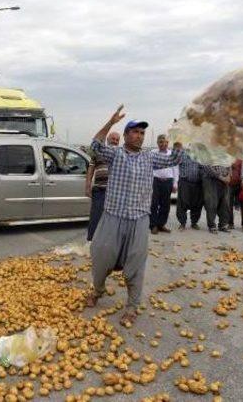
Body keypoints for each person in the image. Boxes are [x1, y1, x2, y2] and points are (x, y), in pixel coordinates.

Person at [87, 106, 182, 326]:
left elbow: (175, 158)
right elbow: (94, 146)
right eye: (135, 132)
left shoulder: (150, 158)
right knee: (101, 257)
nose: (139, 136)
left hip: (139, 219)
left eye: (142, 133)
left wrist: (178, 135)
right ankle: (98, 289)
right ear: (126, 135)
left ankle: (132, 306)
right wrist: (110, 122)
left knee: (136, 264)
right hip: (113, 216)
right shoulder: (115, 154)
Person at [85, 131, 120, 241]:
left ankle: (108, 241)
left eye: (117, 140)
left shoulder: (119, 153)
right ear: (108, 139)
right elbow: (91, 168)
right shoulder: (99, 151)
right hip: (100, 189)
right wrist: (88, 185)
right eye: (113, 139)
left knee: (113, 219)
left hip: (115, 191)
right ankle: (91, 241)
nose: (114, 141)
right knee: (96, 216)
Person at [149, 134, 178, 234]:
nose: (163, 144)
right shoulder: (152, 153)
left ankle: (161, 224)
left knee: (165, 205)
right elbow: (148, 168)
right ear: (158, 143)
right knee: (154, 204)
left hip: (168, 181)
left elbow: (175, 169)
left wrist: (175, 184)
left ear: (167, 143)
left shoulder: (172, 154)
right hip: (155, 181)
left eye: (165, 142)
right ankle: (153, 225)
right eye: (161, 142)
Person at [175, 147, 203, 230]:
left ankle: (194, 223)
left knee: (197, 204)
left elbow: (203, 168)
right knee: (182, 203)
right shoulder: (182, 153)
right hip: (184, 182)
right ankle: (182, 223)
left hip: (198, 183)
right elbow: (175, 165)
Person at [201, 164, 231, 233]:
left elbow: (229, 165)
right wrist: (221, 177)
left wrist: (228, 176)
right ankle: (212, 226)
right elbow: (207, 167)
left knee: (225, 204)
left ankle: (223, 225)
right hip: (211, 180)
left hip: (224, 180)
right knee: (211, 203)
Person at [228, 159, 243, 229]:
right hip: (229, 184)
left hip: (239, 184)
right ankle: (230, 223)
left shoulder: (240, 159)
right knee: (229, 204)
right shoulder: (228, 157)